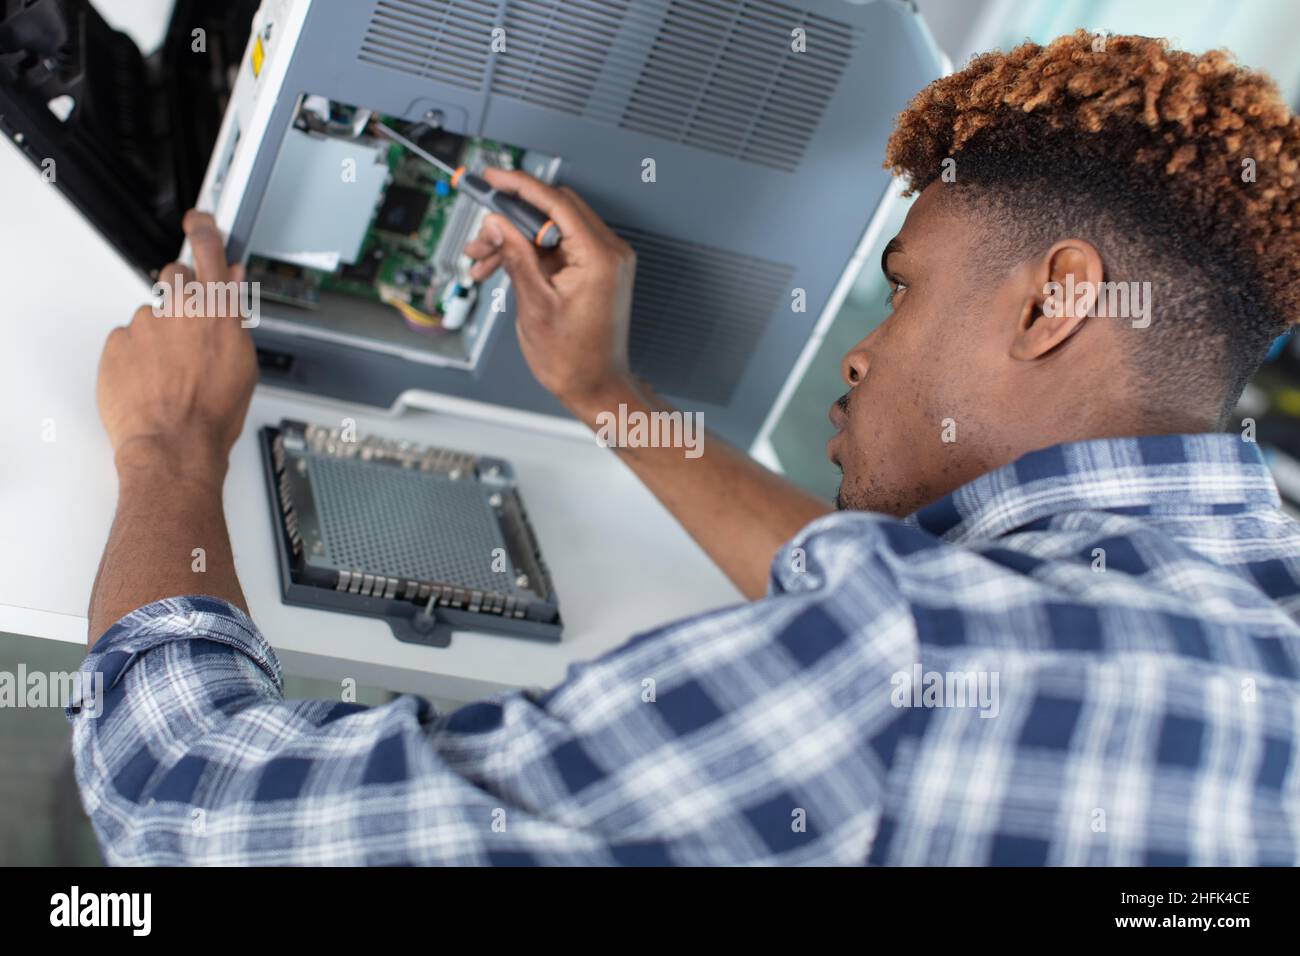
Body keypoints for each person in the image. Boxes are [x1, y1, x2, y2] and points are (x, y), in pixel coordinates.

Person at [72, 32, 1300, 865]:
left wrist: (172, 442)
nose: (861, 355)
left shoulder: (901, 669)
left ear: (1051, 303)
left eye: (900, 293)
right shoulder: (1247, 594)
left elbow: (180, 801)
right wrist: (609, 394)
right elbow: (931, 603)